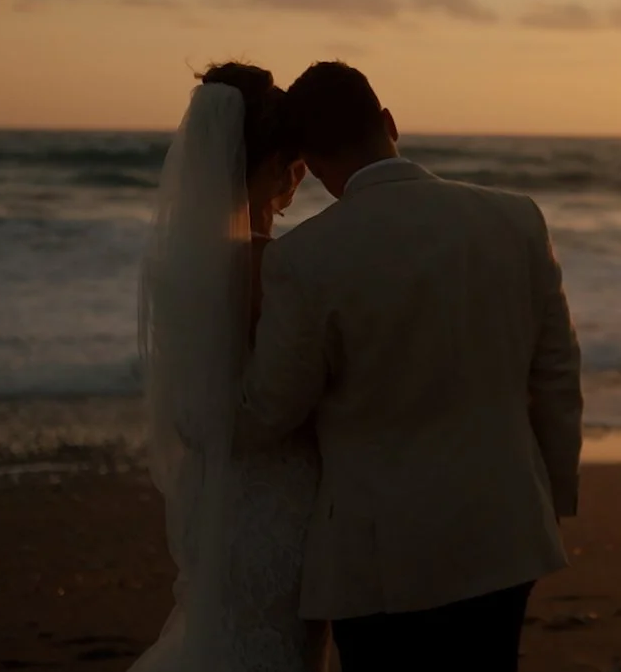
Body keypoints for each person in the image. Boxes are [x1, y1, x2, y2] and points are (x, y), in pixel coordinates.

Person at [239, 61, 584, 672]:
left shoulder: (302, 260)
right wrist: (549, 496)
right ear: (390, 122)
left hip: (380, 560)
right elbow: (556, 371)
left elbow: (272, 410)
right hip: (504, 529)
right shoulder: (515, 218)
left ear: (313, 167)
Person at [131, 62, 327, 672]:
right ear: (274, 170)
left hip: (209, 491)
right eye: (294, 167)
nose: (298, 180)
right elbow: (300, 388)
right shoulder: (274, 266)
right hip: (277, 501)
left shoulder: (179, 269)